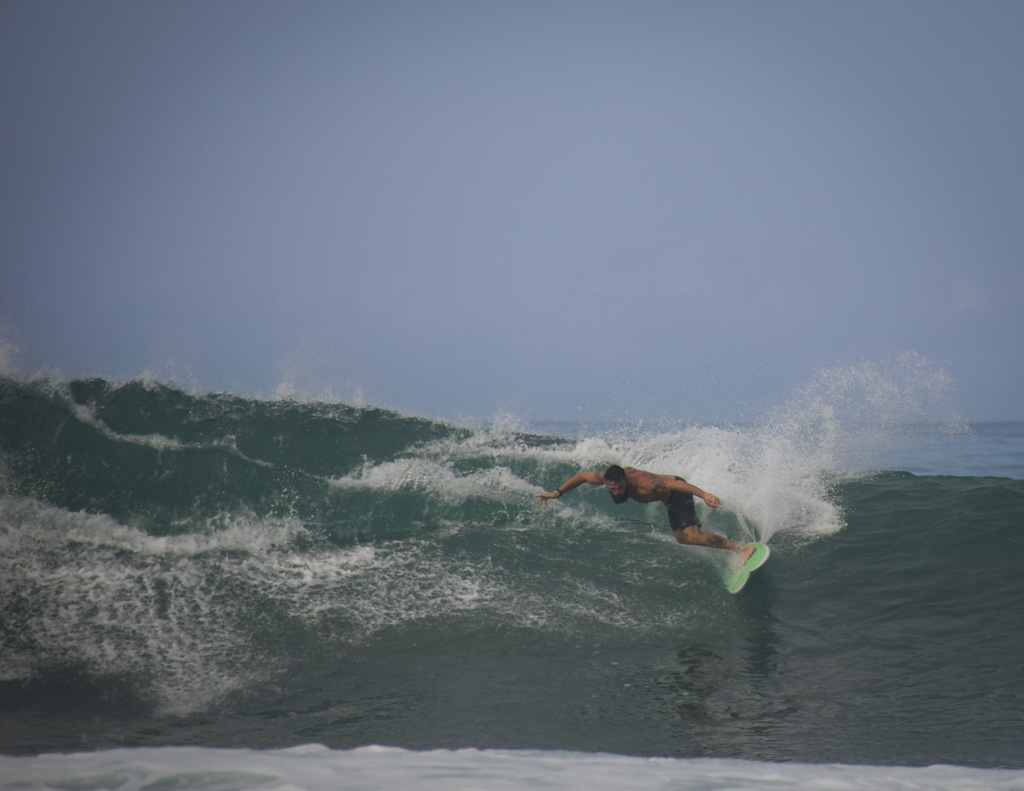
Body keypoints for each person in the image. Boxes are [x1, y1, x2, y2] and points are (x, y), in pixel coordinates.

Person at [536, 464, 756, 563]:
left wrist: (704, 494)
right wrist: (557, 492)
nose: (615, 492)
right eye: (611, 488)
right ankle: (724, 542)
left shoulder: (647, 485)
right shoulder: (609, 476)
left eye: (618, 488)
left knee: (690, 537)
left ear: (624, 480)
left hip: (676, 493)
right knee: (681, 538)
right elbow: (583, 476)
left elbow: (675, 485)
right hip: (669, 495)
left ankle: (741, 548)